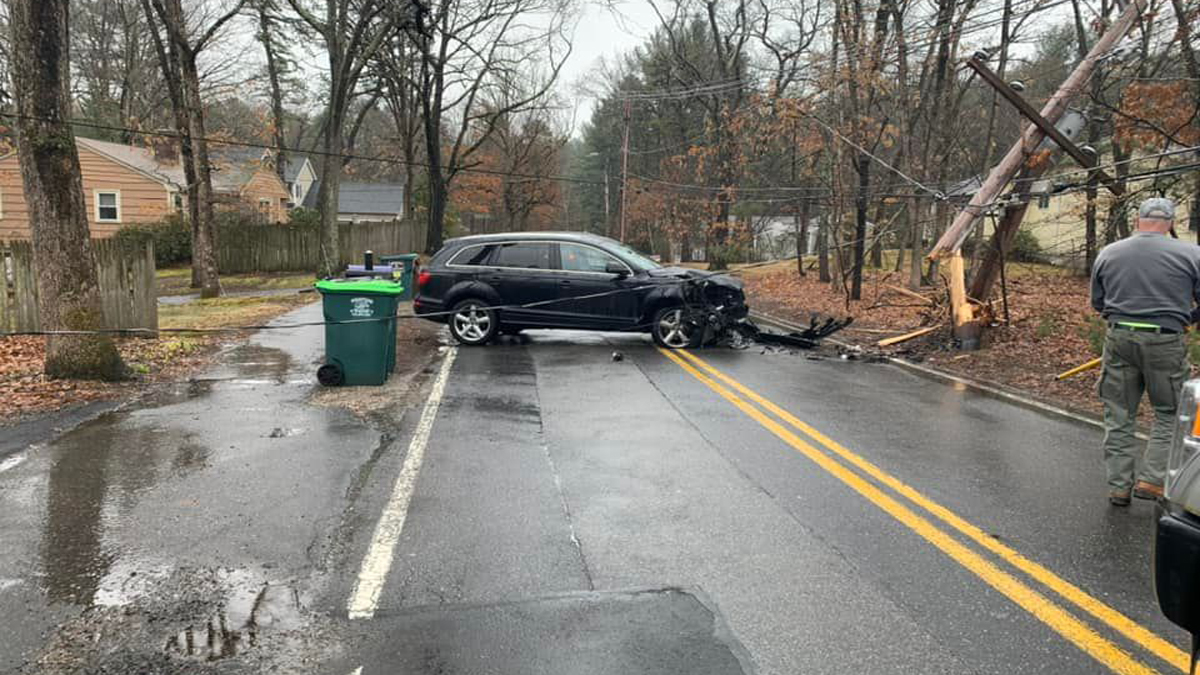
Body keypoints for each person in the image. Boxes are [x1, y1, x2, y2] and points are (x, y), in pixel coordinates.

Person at [1091, 197, 1197, 506]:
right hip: (1166, 340)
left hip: (1120, 339)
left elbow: (1098, 302)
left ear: (1138, 221)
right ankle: (1150, 481)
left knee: (1119, 413)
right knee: (1169, 411)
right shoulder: (1192, 253)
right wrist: (1187, 317)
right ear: (1171, 223)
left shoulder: (1109, 252)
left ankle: (1119, 487)